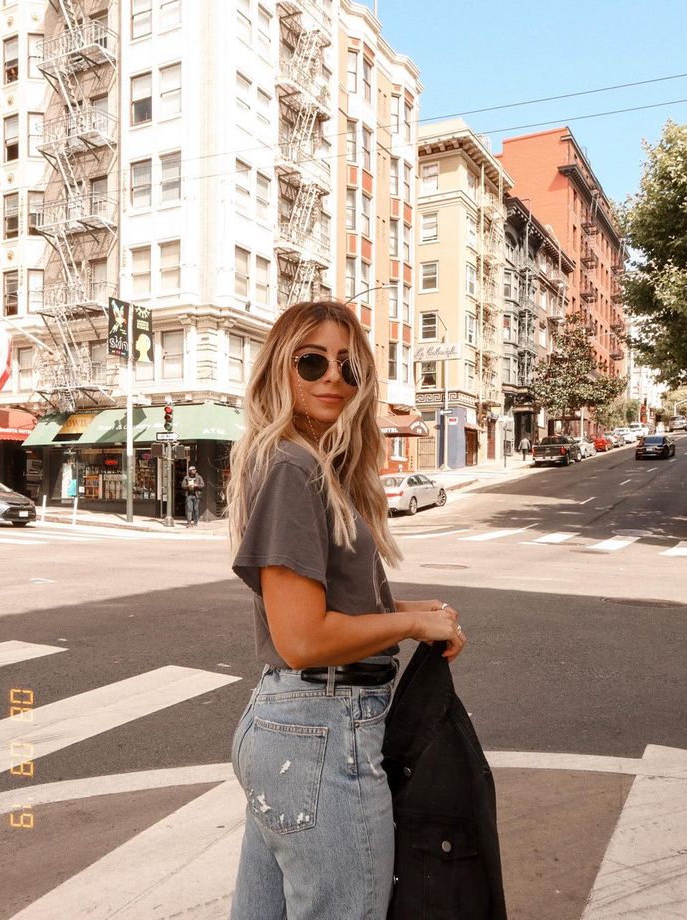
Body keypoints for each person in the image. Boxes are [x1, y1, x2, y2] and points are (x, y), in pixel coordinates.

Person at [226, 300, 467, 920]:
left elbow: (334, 607)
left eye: (349, 365)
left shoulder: (305, 464)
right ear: (279, 369)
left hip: (297, 728)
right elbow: (304, 638)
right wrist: (411, 624)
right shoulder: (292, 467)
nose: (333, 376)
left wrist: (416, 610)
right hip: (323, 729)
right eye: (312, 362)